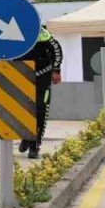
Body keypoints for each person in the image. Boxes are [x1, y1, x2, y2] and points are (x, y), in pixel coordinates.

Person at [19, 23, 63, 159]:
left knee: (40, 109)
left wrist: (56, 70)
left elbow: (56, 49)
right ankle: (26, 137)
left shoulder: (40, 32)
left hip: (42, 76)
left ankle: (34, 145)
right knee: (22, 110)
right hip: (21, 75)